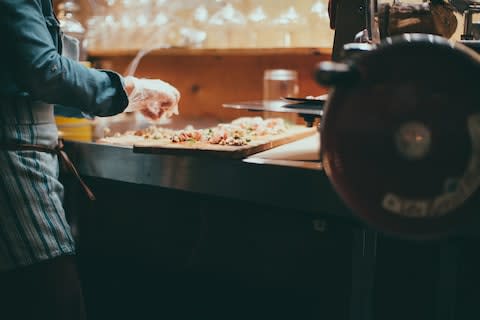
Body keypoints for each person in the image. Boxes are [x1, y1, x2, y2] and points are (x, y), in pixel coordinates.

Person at [0, 0, 180, 319]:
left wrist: (127, 99)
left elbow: (22, 82)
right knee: (55, 302)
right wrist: (129, 88)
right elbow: (44, 71)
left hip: (24, 159)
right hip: (12, 167)